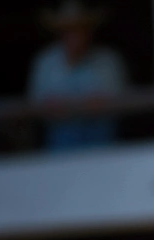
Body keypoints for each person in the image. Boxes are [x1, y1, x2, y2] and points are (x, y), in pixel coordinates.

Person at [29, 2, 129, 151]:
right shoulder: (46, 62)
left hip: (104, 145)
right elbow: (34, 104)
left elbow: (122, 99)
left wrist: (100, 104)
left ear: (89, 31)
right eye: (69, 30)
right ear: (60, 33)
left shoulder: (108, 60)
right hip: (59, 146)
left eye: (80, 29)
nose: (75, 36)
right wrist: (51, 107)